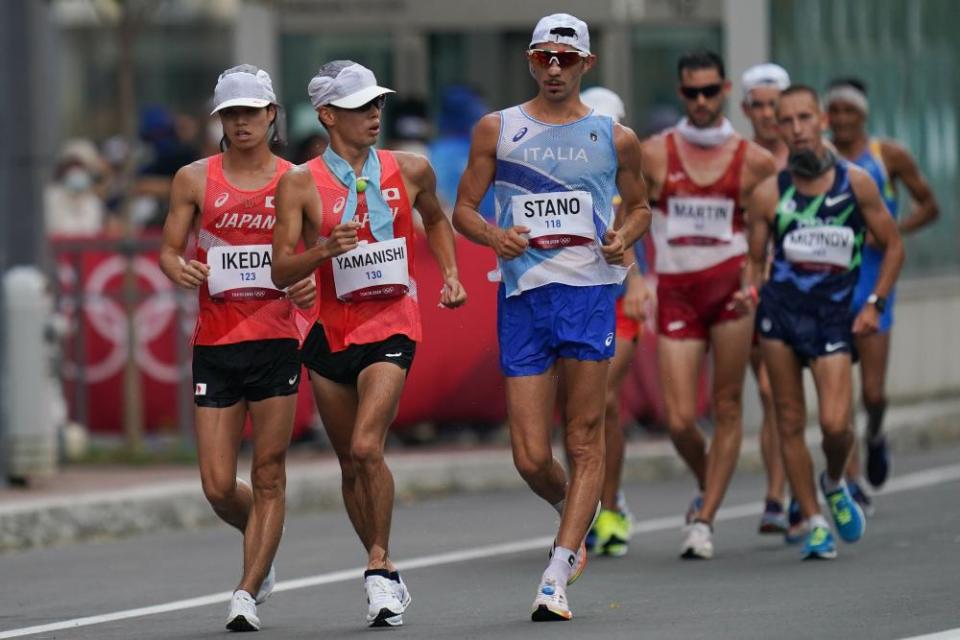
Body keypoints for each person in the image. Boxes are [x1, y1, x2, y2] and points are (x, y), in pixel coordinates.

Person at [452, 14, 650, 621]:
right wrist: (493, 236)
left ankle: (557, 571)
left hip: (589, 296)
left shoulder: (616, 137)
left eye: (566, 58)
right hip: (524, 298)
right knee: (531, 457)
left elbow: (640, 207)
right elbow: (462, 208)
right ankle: (577, 508)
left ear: (587, 63)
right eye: (544, 58)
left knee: (584, 435)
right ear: (531, 62)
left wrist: (623, 239)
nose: (555, 68)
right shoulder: (498, 129)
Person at [271, 60, 466, 628]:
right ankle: (380, 564)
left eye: (378, 103)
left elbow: (436, 219)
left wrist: (450, 274)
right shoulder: (299, 183)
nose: (375, 114)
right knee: (349, 465)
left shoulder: (411, 168)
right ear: (328, 115)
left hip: (392, 320)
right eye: (361, 107)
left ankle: (380, 568)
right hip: (329, 331)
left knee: (365, 447)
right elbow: (283, 268)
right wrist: (323, 251)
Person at [159, 65, 316, 632]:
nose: (242, 121)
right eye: (231, 113)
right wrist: (179, 268)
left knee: (269, 473)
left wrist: (308, 281)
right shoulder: (194, 179)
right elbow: (170, 249)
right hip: (217, 342)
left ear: (272, 113)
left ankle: (247, 589)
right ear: (220, 120)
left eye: (252, 111)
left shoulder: (298, 179)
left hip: (276, 337)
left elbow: (322, 254)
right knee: (218, 485)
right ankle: (264, 536)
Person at [744, 84, 904, 559]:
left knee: (836, 426)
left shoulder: (855, 183)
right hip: (781, 316)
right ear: (778, 129)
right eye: (786, 122)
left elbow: (893, 245)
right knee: (789, 420)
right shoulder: (769, 193)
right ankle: (814, 521)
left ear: (821, 122)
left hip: (835, 318)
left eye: (804, 119)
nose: (796, 130)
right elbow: (754, 260)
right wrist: (748, 288)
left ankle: (834, 480)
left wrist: (874, 302)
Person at [639, 51, 777, 559]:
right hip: (677, 290)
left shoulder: (755, 161)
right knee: (678, 419)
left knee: (726, 406)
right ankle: (711, 477)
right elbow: (628, 216)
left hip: (731, 293)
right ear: (681, 94)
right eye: (691, 92)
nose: (700, 101)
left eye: (709, 91)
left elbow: (769, 239)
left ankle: (704, 517)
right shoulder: (655, 153)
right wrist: (635, 276)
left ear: (724, 90)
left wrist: (756, 283)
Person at [825, 78, 939, 505]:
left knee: (871, 392)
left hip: (875, 284)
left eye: (849, 111)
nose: (841, 120)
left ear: (863, 115)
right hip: (832, 285)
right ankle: (850, 478)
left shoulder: (886, 155)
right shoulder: (821, 157)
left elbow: (929, 205)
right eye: (834, 111)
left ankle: (875, 433)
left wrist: (892, 231)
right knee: (839, 391)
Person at [577, 86, 651, 558]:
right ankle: (582, 507)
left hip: (619, 300)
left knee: (602, 400)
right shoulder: (562, 168)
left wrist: (640, 282)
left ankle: (613, 503)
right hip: (574, 301)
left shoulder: (627, 165)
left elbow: (631, 230)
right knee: (579, 415)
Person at [739, 63, 791, 536]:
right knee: (770, 391)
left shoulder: (809, 159)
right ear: (745, 110)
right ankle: (777, 497)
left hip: (805, 288)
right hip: (754, 285)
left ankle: (824, 479)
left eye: (775, 105)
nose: (768, 115)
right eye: (758, 105)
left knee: (788, 394)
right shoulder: (737, 160)